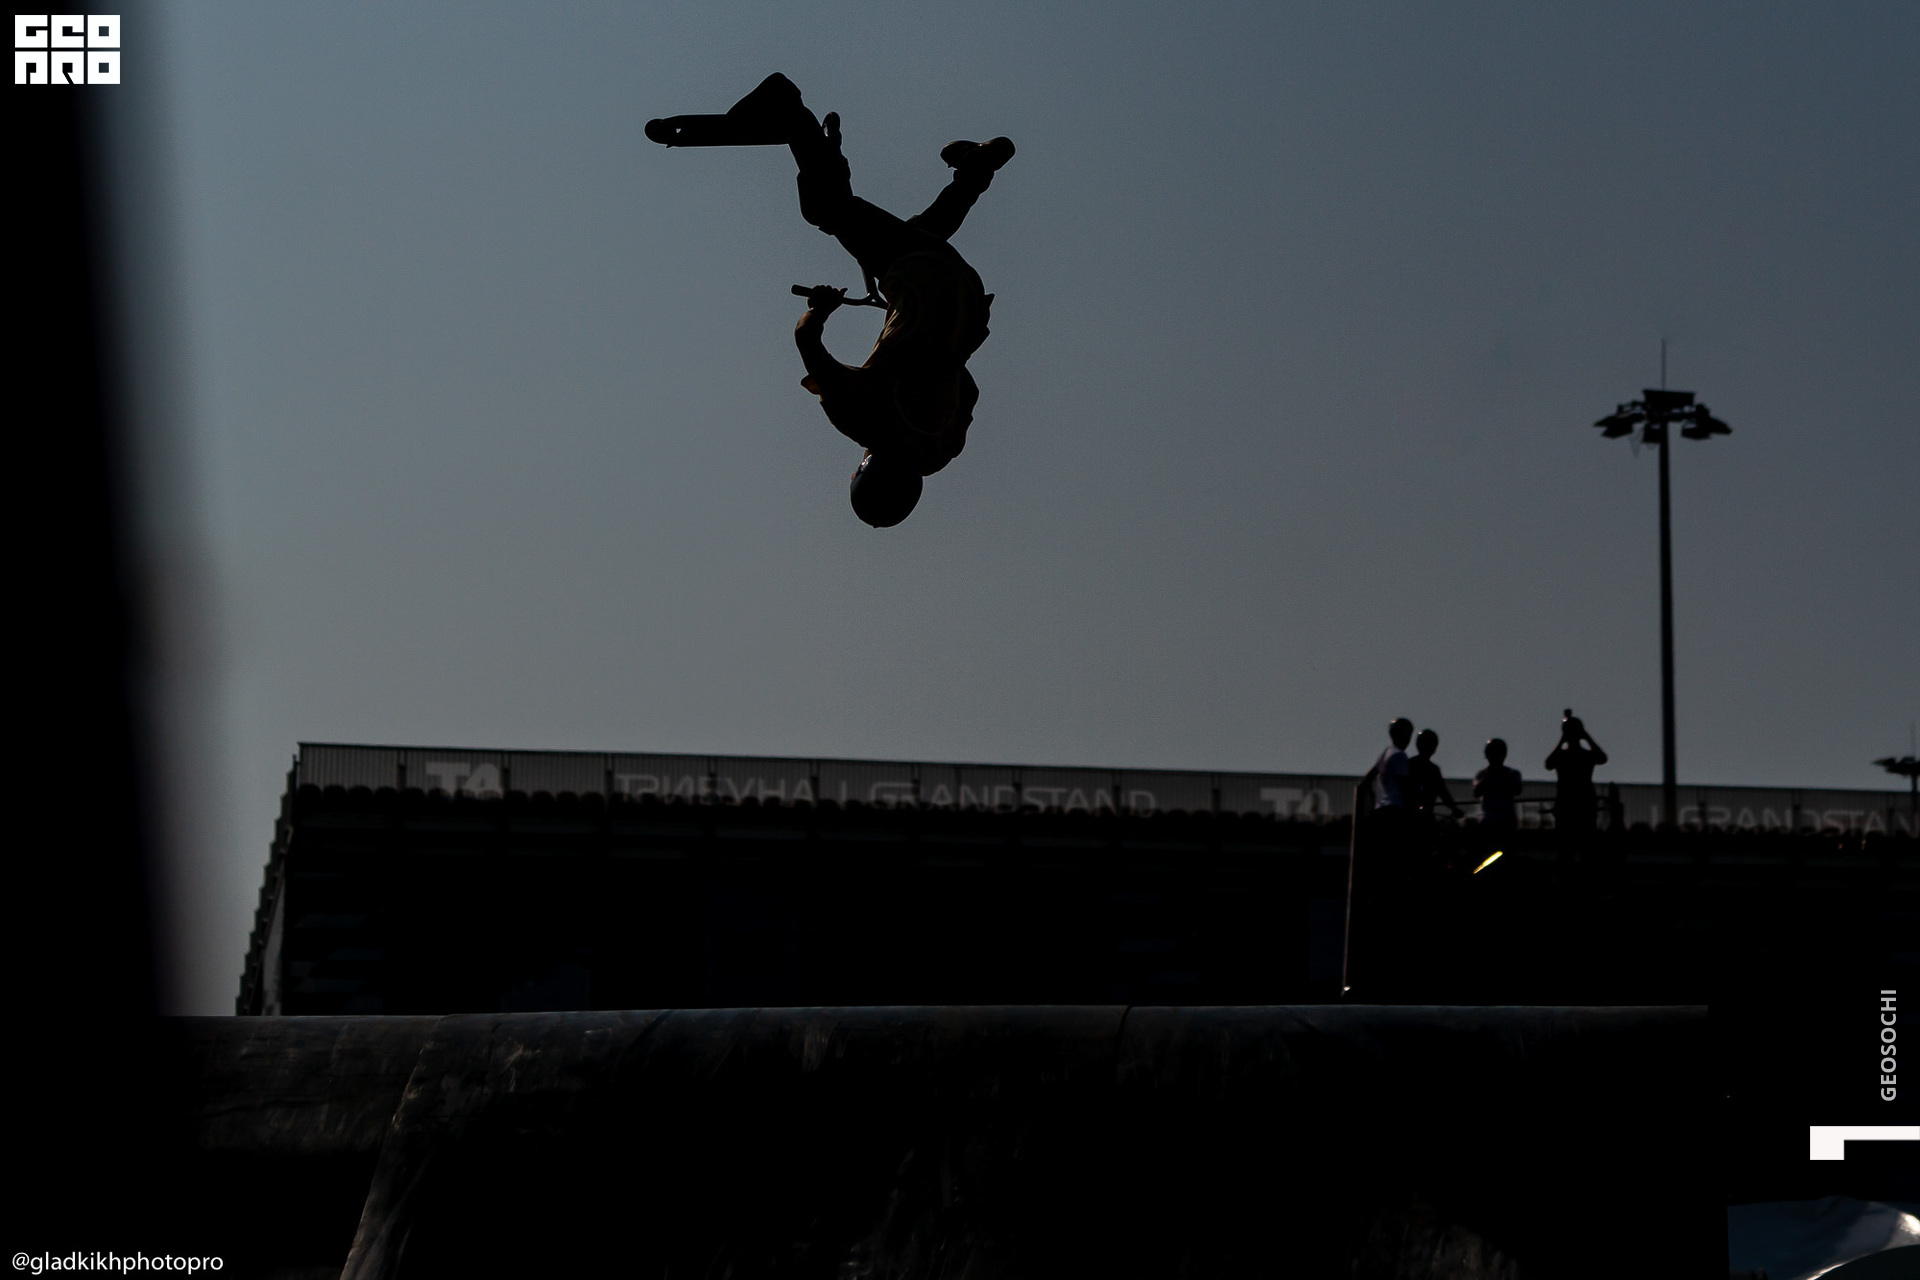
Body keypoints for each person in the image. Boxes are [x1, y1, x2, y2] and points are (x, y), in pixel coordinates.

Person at [651, 74, 1015, 527]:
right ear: (863, 469)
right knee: (828, 208)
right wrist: (819, 310)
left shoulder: (942, 449)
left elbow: (967, 386)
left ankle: (977, 169)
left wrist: (914, 341)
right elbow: (807, 341)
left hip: (965, 298)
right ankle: (791, 112)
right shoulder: (860, 419)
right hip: (919, 277)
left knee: (919, 234)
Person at [1544, 710, 1609, 837]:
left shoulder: (1562, 756)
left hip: (1567, 802)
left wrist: (1562, 740)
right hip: (1583, 802)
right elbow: (1602, 758)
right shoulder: (1585, 756)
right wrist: (1587, 737)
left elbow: (1548, 764)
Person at [1472, 738, 1523, 843]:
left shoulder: (1512, 774)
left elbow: (1517, 790)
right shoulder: (1482, 774)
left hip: (1507, 821)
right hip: (1489, 820)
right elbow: (1476, 792)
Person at [1408, 728, 1463, 823]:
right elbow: (1443, 793)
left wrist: (1454, 808)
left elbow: (1443, 792)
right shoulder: (1431, 769)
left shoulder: (1410, 764)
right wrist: (1454, 808)